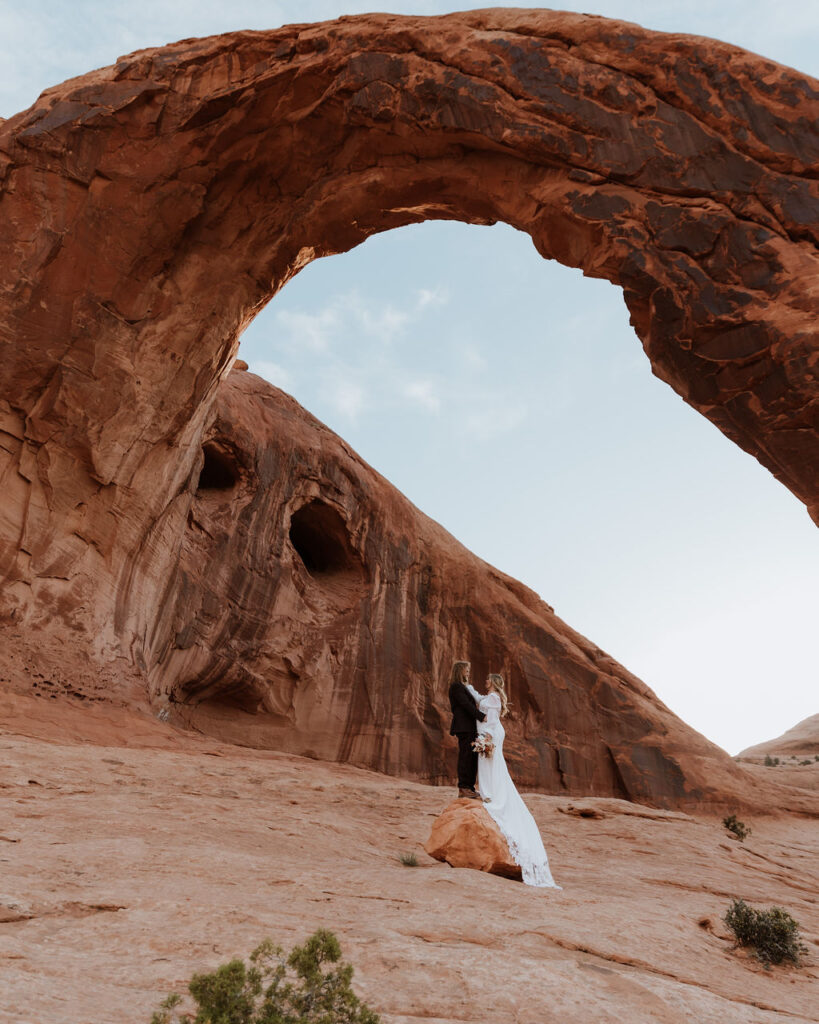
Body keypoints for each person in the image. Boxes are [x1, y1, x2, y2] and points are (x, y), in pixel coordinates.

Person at [466, 673, 561, 889]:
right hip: (492, 733)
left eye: (488, 679)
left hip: (490, 734)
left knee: (490, 765)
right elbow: (479, 698)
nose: (486, 682)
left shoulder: (493, 698)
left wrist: (486, 739)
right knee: (492, 765)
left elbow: (489, 719)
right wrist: (468, 687)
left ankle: (492, 795)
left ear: (494, 682)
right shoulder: (492, 696)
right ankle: (491, 793)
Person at [448, 660, 485, 800]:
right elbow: (466, 706)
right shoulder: (456, 687)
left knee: (471, 757)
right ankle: (463, 788)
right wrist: (482, 717)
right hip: (463, 727)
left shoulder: (463, 687)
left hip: (469, 727)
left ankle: (469, 788)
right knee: (466, 757)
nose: (468, 672)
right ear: (459, 670)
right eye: (466, 669)